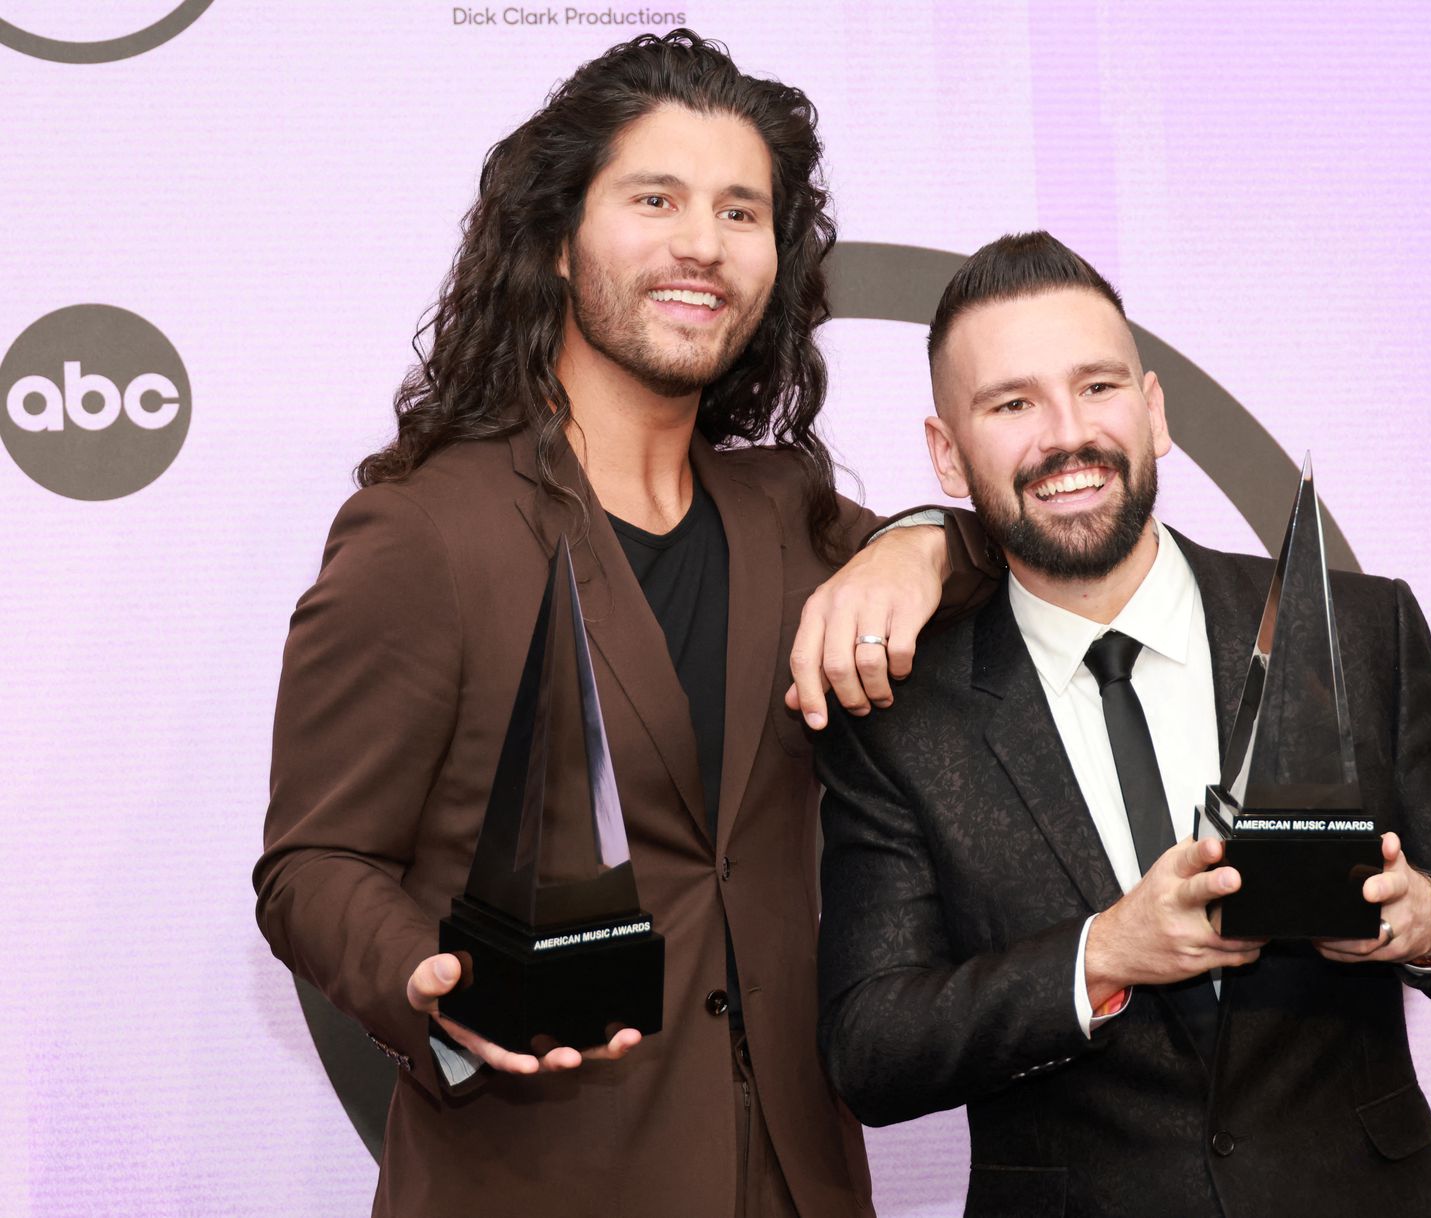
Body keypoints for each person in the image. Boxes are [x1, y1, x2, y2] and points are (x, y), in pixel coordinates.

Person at [254, 32, 993, 1218]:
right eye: (656, 198)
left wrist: (922, 541)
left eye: (741, 211)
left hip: (802, 1179)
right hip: (539, 1178)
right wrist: (425, 981)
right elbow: (314, 863)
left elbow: (991, 553)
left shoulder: (789, 513)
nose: (702, 242)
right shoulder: (424, 532)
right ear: (555, 240)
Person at [814, 232, 1431, 1217]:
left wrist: (1425, 920)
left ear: (1155, 411)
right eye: (1012, 404)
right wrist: (1103, 954)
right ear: (947, 454)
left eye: (1098, 387)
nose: (1066, 434)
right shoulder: (901, 716)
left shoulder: (1358, 631)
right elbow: (871, 1045)